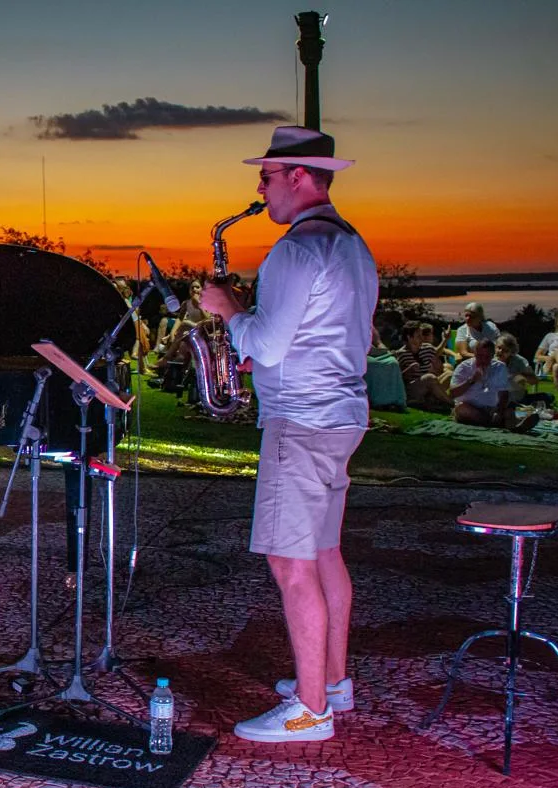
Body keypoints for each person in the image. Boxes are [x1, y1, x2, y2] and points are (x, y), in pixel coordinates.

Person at [200, 126, 375, 743]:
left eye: (268, 177)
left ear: (299, 176)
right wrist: (258, 336)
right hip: (342, 414)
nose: (259, 187)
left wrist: (227, 311)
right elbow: (325, 335)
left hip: (300, 424)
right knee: (324, 551)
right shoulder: (352, 245)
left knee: (289, 561)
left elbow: (270, 343)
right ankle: (332, 682)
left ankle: (310, 710)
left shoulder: (295, 251)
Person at [450, 339, 539, 432]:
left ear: (493, 356)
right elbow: (452, 393)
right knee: (462, 410)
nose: (483, 360)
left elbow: (503, 393)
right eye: (480, 356)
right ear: (474, 353)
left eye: (487, 357)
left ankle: (502, 422)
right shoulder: (464, 367)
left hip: (492, 408)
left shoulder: (499, 367)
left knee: (520, 412)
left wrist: (499, 411)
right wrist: (471, 380)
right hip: (471, 407)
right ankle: (505, 424)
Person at [394, 320, 452, 411]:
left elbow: (437, 352)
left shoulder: (426, 348)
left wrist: (445, 339)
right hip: (413, 389)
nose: (422, 338)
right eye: (418, 336)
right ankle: (452, 404)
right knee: (430, 377)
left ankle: (431, 400)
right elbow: (396, 378)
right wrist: (408, 370)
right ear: (410, 337)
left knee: (449, 374)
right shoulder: (401, 354)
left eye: (422, 335)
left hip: (428, 386)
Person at [494, 333, 539, 405]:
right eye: (499, 348)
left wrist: (522, 376)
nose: (500, 351)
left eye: (505, 350)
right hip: (495, 399)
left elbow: (534, 380)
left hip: (516, 400)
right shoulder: (490, 361)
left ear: (512, 352)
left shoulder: (520, 361)